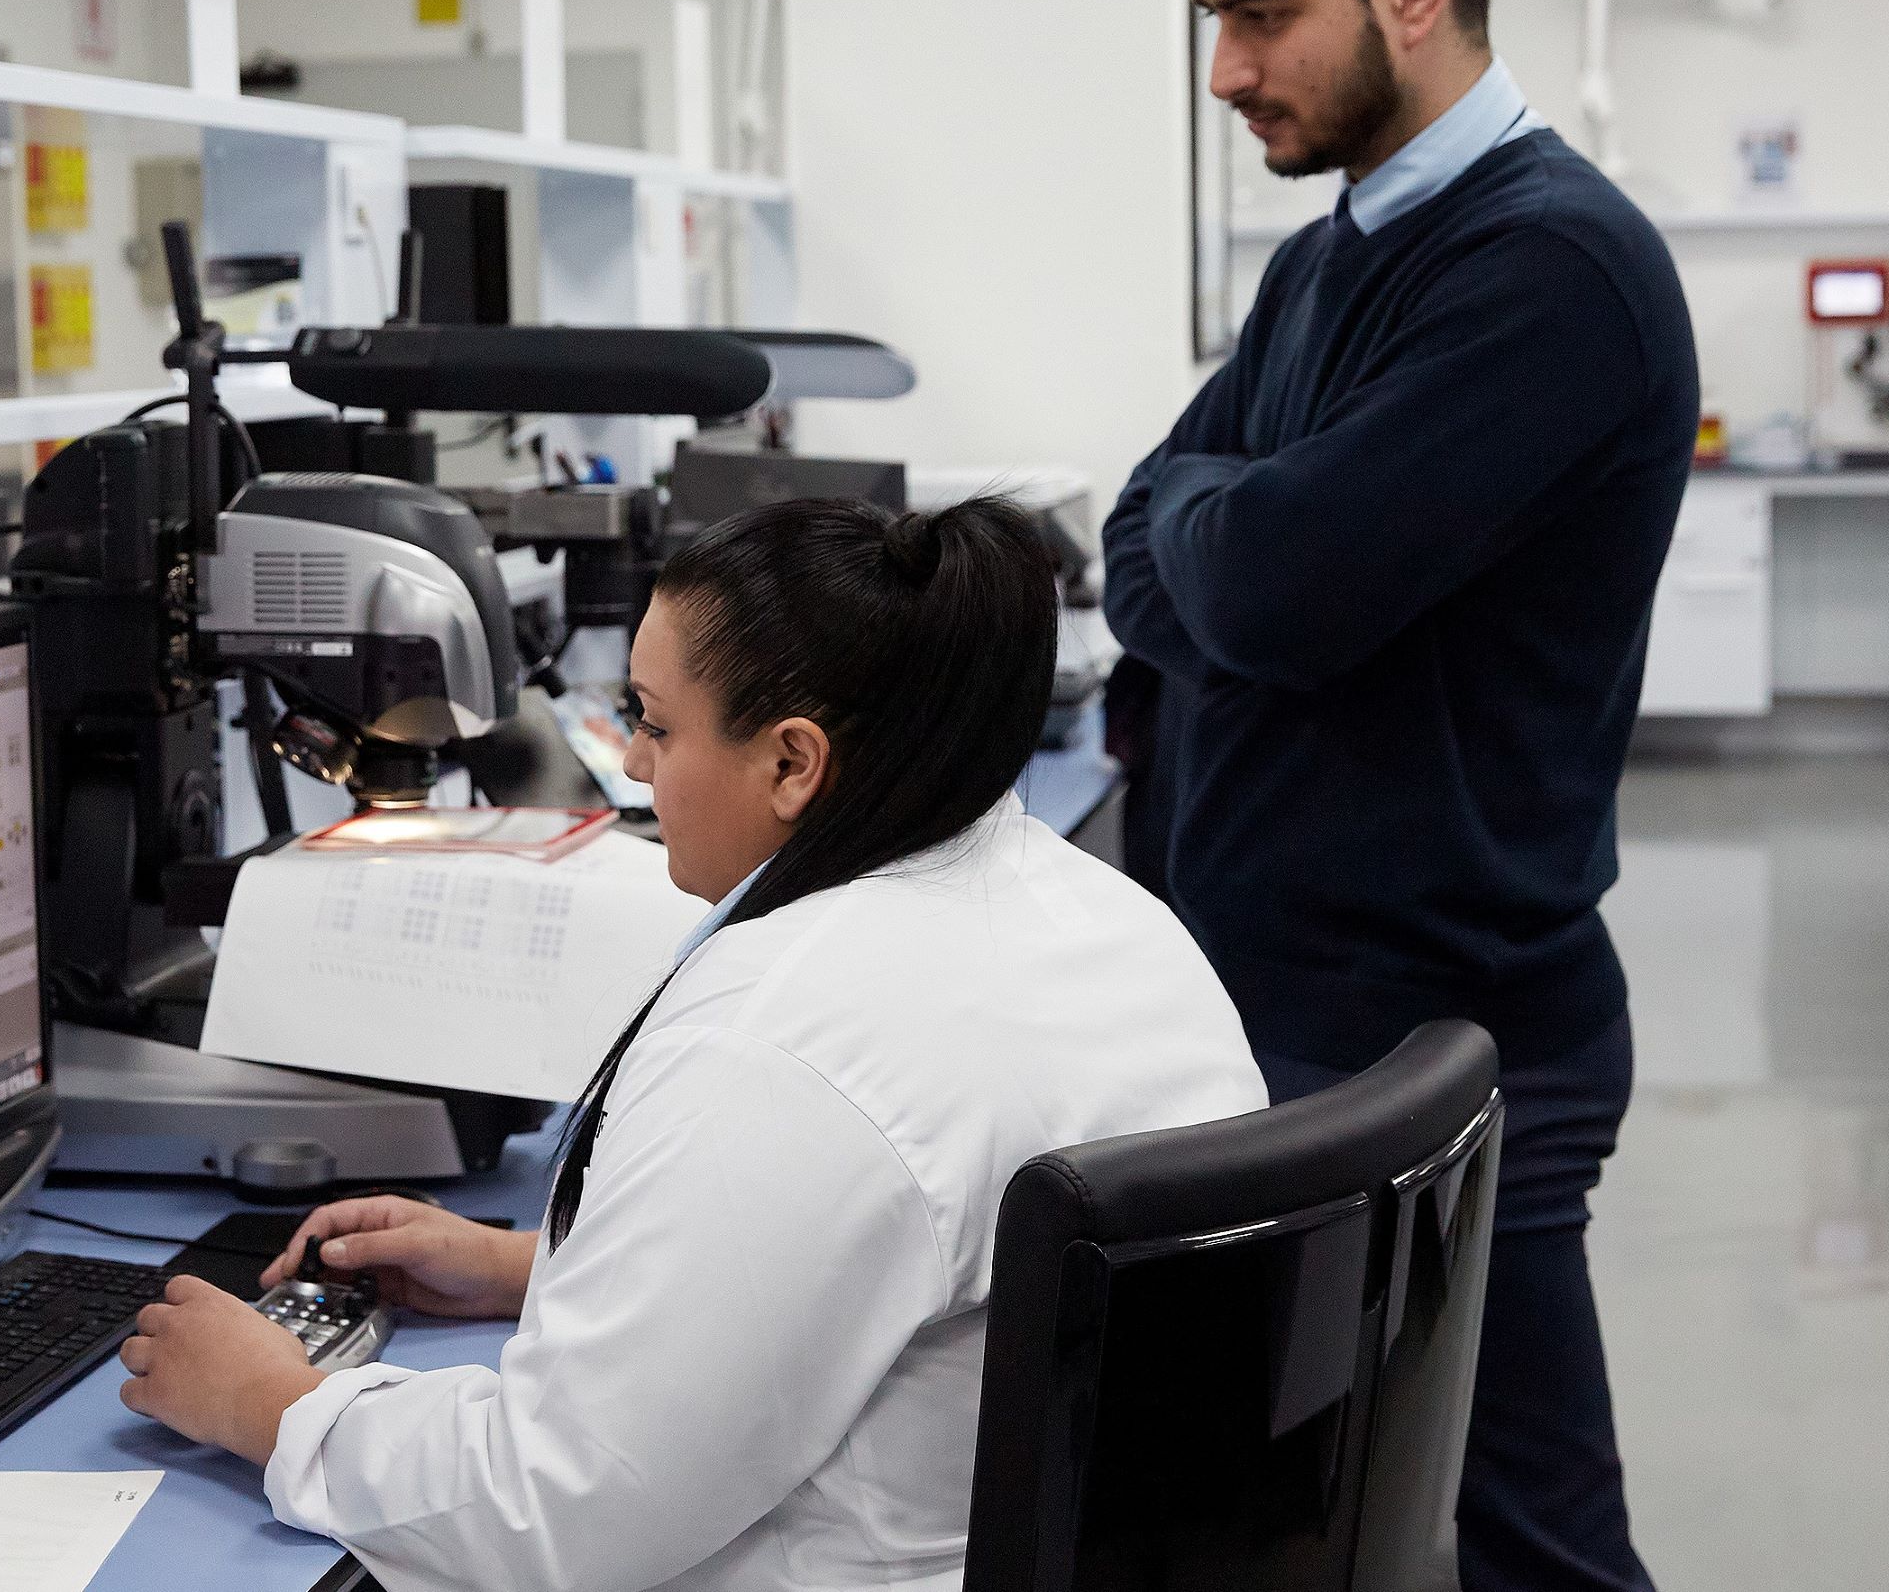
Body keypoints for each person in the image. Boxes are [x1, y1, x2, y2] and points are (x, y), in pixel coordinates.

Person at [116, 495, 1265, 1591]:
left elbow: (553, 1509)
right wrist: (535, 1268)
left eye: (658, 725)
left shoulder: (785, 1036)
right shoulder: (1111, 919)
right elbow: (918, 1264)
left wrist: (271, 1404)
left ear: (792, 762)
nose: (631, 761)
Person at [1101, 0, 1696, 1592]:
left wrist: (1235, 536)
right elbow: (1143, 542)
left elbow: (1271, 593)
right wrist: (1232, 532)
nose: (1225, 70)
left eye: (1261, 14)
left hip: (1445, 1036)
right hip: (1292, 1013)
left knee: (1527, 1550)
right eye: (1213, 19)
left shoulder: (1550, 268)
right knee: (1295, 1534)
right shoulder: (1326, 257)